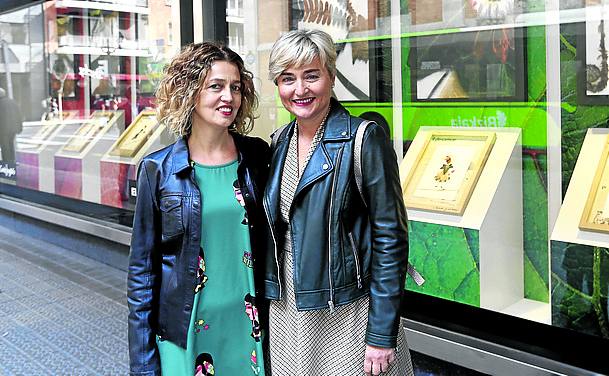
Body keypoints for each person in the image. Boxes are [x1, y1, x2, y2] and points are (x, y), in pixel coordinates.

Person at [263, 29, 414, 376]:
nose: (300, 89)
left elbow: (391, 240)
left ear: (331, 76)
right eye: (288, 79)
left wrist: (380, 333)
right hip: (289, 310)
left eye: (311, 76)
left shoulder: (363, 139)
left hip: (346, 313)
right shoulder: (278, 142)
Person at [127, 42, 270, 376]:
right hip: (186, 327)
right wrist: (143, 363)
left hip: (248, 324)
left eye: (236, 87)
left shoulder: (257, 158)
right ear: (190, 92)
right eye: (216, 86)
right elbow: (142, 275)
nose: (229, 97)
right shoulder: (158, 169)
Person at [0, 87, 23, 164]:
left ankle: (7, 164)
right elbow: (19, 115)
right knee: (10, 144)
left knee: (5, 147)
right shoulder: (13, 102)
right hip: (13, 128)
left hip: (3, 130)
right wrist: (20, 127)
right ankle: (12, 161)